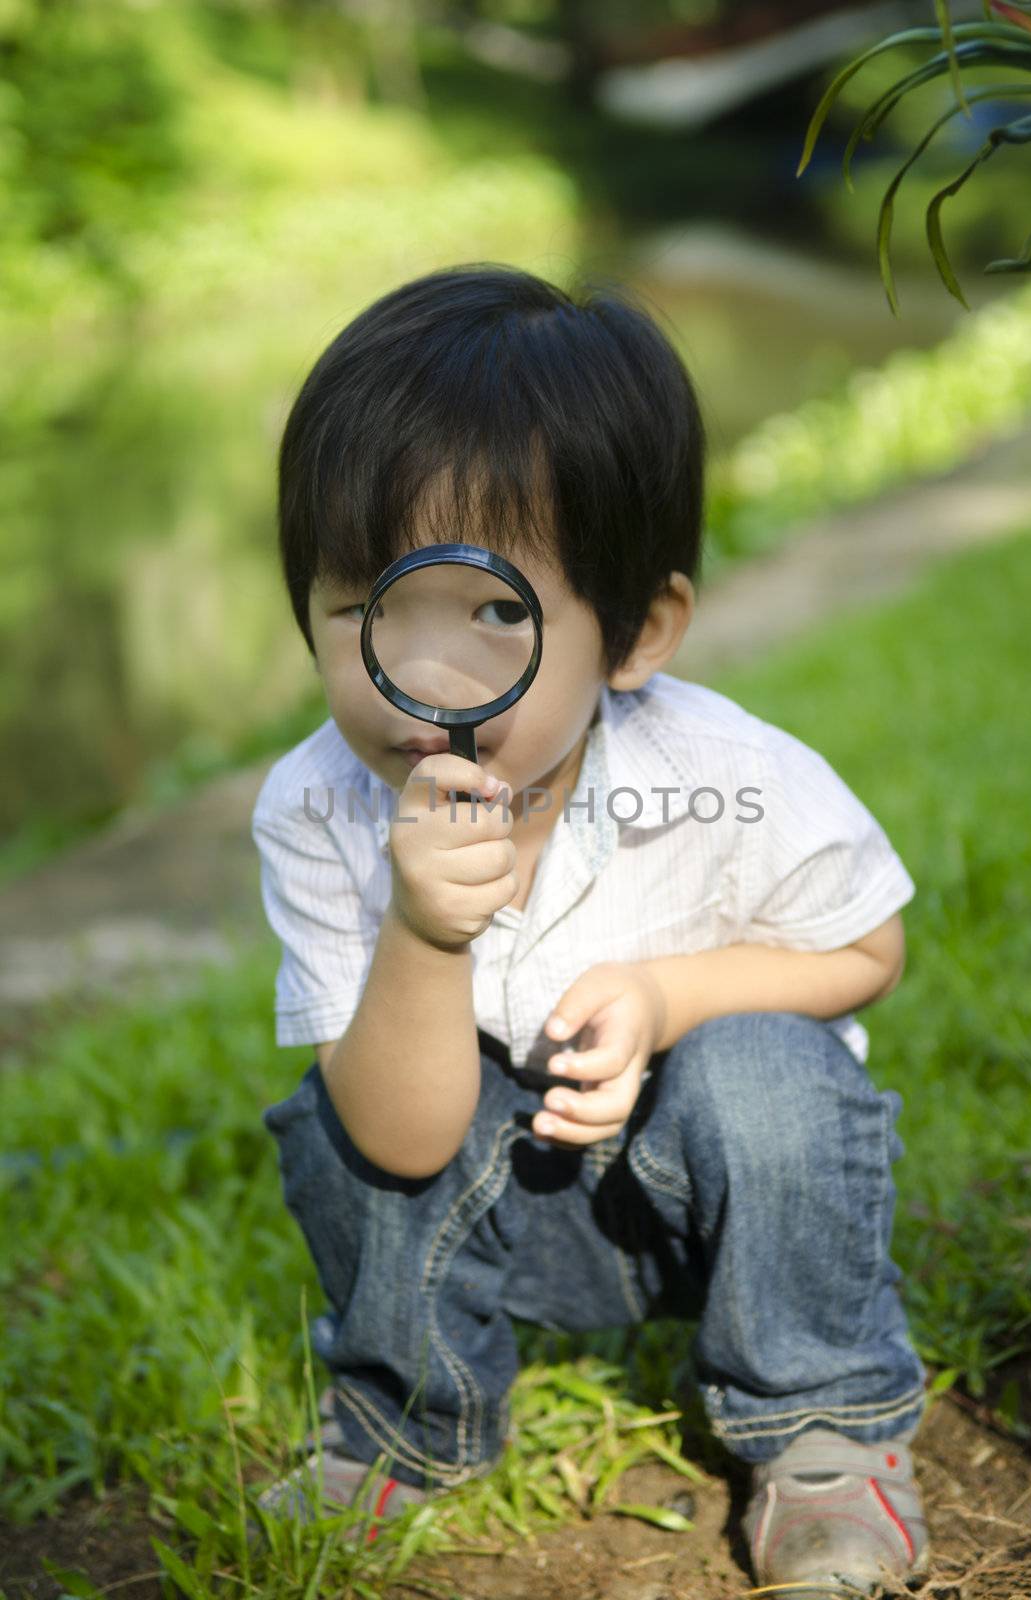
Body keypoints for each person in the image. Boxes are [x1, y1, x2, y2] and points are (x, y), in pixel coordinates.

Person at [249, 262, 930, 1592]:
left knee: (772, 1068)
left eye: (497, 613)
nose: (427, 681)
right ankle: (408, 1422)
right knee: (333, 1117)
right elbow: (401, 1140)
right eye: (367, 609)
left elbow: (868, 951)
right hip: (494, 1211)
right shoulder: (314, 808)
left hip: (716, 1202)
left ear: (641, 631)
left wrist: (672, 1000)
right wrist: (422, 939)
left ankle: (826, 1428)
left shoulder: (735, 774)